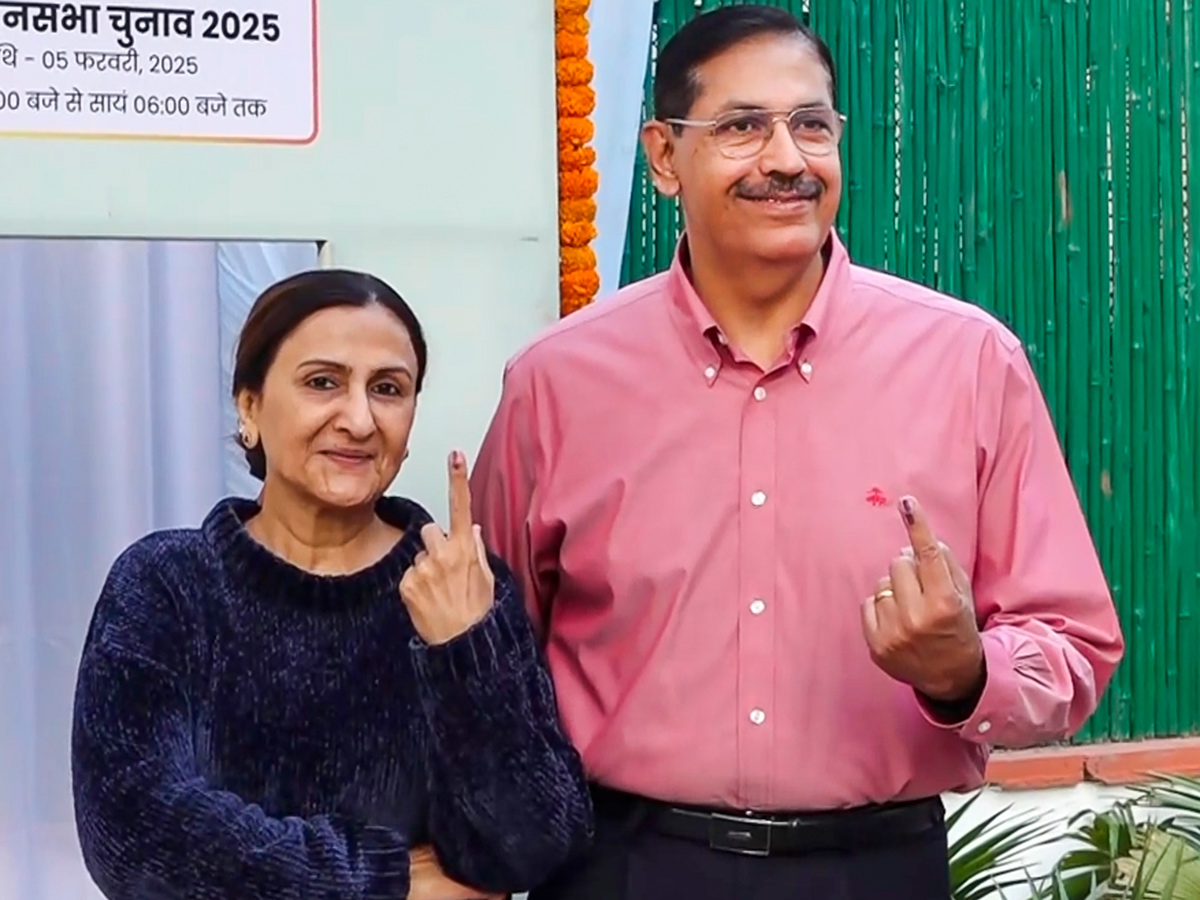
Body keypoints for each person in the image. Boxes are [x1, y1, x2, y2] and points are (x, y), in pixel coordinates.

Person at [469, 6, 1125, 900]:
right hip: (622, 863)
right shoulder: (559, 383)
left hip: (877, 868)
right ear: (664, 157)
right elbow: (489, 655)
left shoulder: (968, 363)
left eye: (811, 125)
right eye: (742, 127)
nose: (786, 159)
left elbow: (1074, 643)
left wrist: (966, 671)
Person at [71, 269, 593, 900]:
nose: (359, 419)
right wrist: (385, 880)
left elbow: (535, 845)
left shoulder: (458, 584)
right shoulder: (168, 585)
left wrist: (464, 654)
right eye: (323, 382)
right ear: (250, 407)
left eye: (389, 389)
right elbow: (135, 830)